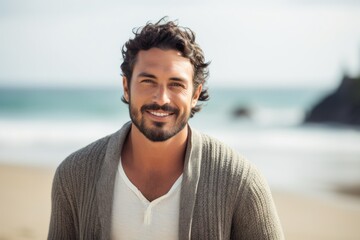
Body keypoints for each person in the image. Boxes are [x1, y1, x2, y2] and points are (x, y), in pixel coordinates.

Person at [48, 17, 284, 239]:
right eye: (148, 81)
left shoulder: (239, 181)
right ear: (126, 87)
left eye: (176, 84)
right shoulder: (74, 175)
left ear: (195, 94)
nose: (161, 98)